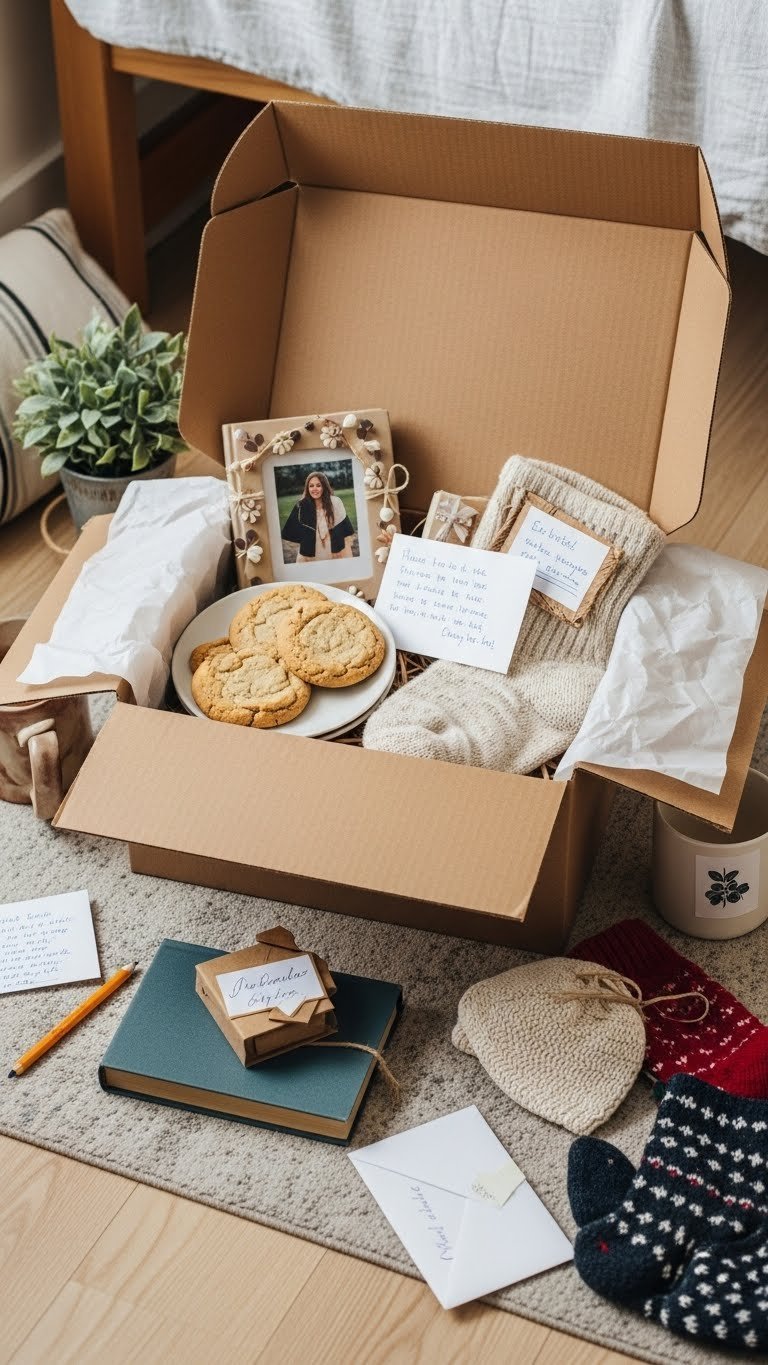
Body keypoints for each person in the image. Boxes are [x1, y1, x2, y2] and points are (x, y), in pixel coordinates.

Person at [280, 470, 356, 561]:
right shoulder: (302, 506)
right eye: (311, 486)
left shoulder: (335, 502)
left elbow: (344, 531)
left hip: (332, 548)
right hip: (312, 549)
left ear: (324, 487)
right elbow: (290, 531)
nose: (314, 489)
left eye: (318, 485)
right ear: (307, 488)